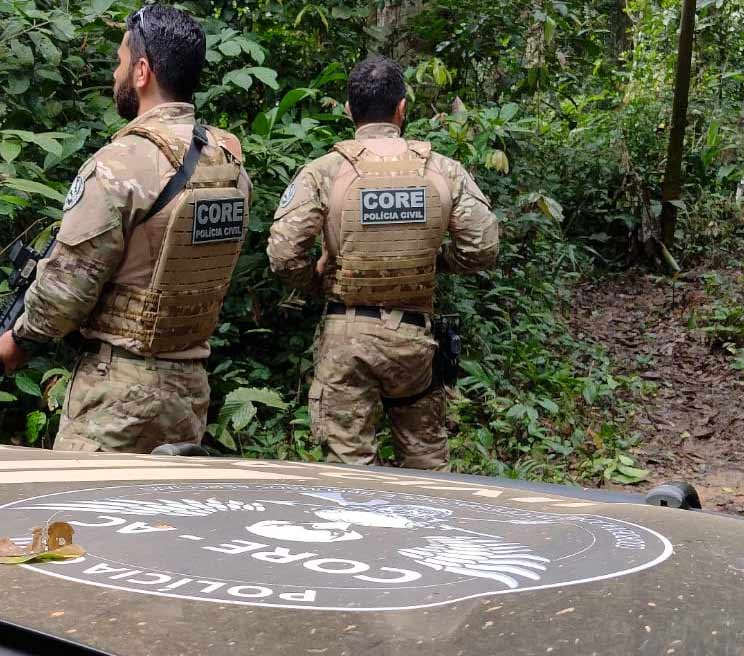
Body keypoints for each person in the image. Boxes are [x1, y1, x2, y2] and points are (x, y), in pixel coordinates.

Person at [0, 5, 251, 453]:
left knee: (81, 517)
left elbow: (64, 291)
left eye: (119, 63)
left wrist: (18, 341)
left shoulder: (119, 166)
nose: (115, 74)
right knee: (166, 521)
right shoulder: (230, 167)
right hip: (190, 391)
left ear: (141, 71)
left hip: (114, 393)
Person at [267, 55, 499, 471]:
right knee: (427, 469)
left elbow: (284, 252)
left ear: (349, 110)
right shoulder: (443, 169)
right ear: (401, 109)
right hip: (414, 339)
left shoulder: (325, 171)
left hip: (346, 337)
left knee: (349, 476)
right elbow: (482, 247)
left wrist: (318, 278)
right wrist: (434, 262)